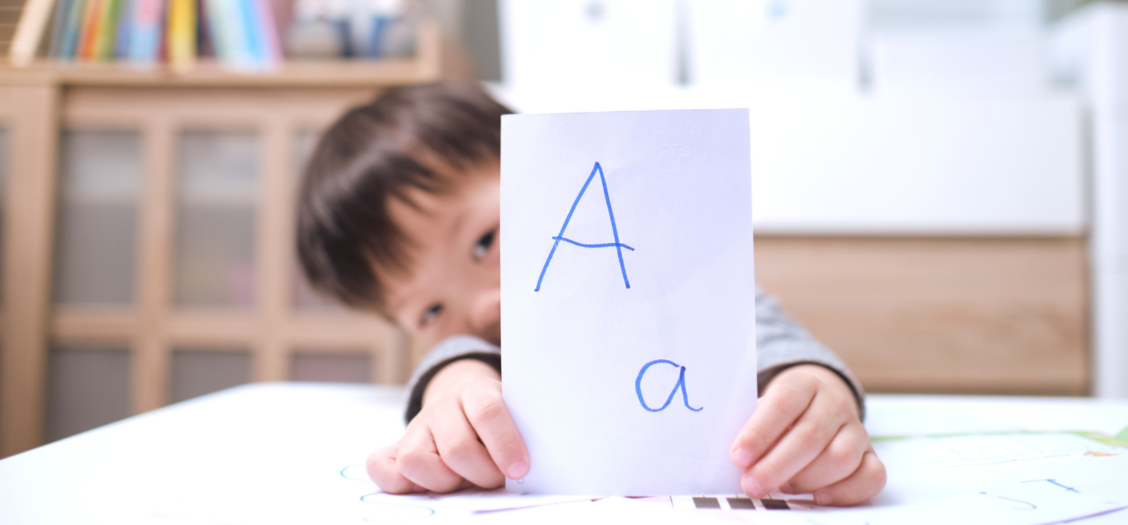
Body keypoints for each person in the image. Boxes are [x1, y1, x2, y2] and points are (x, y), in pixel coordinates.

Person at [296, 82, 886, 505]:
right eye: (429, 310)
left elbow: (763, 331)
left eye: (483, 242)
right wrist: (451, 387)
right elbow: (457, 364)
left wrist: (815, 389)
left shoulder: (663, 272)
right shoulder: (473, 354)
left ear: (547, 169)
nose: (484, 308)